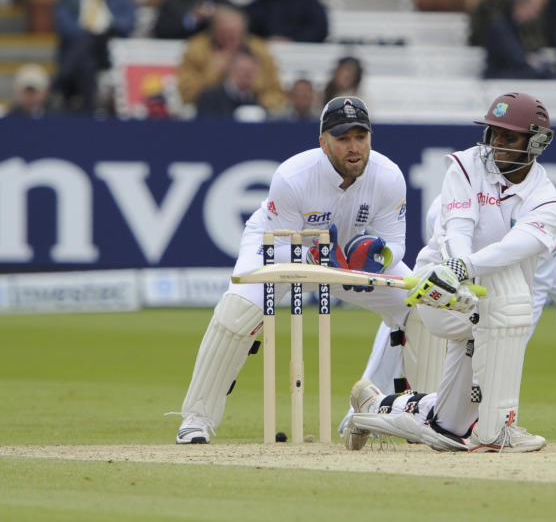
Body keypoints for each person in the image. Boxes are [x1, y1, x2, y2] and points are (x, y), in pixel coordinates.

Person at [174, 96, 414, 444]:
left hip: (346, 260)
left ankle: (386, 414)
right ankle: (196, 419)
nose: (353, 147)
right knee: (237, 312)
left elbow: (395, 244)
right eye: (343, 138)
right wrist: (317, 257)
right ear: (323, 142)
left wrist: (377, 258)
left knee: (418, 305)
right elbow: (281, 246)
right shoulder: (293, 176)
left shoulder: (388, 176)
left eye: (361, 137)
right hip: (278, 245)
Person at [344, 92, 556, 453]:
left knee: (448, 429)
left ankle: (375, 405)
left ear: (537, 141)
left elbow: (514, 247)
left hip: (484, 302)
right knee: (509, 301)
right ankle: (498, 430)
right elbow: (457, 227)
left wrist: (467, 267)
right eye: (494, 134)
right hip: (441, 290)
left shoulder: (548, 202)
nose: (496, 144)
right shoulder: (466, 165)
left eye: (508, 137)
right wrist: (456, 270)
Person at [341, 195, 556, 441]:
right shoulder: (451, 218)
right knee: (414, 306)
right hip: (460, 257)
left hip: (537, 255)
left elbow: (518, 317)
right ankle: (370, 404)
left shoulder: (534, 212)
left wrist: (495, 365)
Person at [177, 5, 284, 115]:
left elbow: (276, 94)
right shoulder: (195, 50)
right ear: (213, 32)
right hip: (210, 113)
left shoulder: (260, 51)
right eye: (225, 34)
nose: (231, 39)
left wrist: (249, 84)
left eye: (236, 34)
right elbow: (187, 95)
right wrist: (214, 73)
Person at [52, 0, 136, 113]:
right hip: (82, 44)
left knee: (82, 50)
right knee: (86, 59)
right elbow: (65, 26)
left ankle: (62, 82)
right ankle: (89, 107)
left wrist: (110, 27)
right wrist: (88, 34)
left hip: (109, 45)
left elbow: (129, 20)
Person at [483, 0, 556, 79]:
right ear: (520, 5)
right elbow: (515, 57)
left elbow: (535, 51)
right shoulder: (500, 27)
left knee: (550, 73)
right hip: (501, 77)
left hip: (516, 75)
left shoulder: (524, 27)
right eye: (534, 7)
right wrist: (529, 59)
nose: (536, 12)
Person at [243, 0, 328, 43]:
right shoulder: (257, 6)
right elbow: (250, 32)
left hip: (303, 51)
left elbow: (319, 28)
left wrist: (292, 40)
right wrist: (266, 41)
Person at [195, 50, 264, 118]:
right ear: (231, 70)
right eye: (244, 70)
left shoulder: (254, 100)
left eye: (253, 71)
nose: (249, 75)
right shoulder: (210, 97)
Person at [152, 0, 231, 40]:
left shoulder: (222, 2)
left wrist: (219, 17)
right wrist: (191, 19)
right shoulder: (173, 2)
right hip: (180, 47)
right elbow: (161, 31)